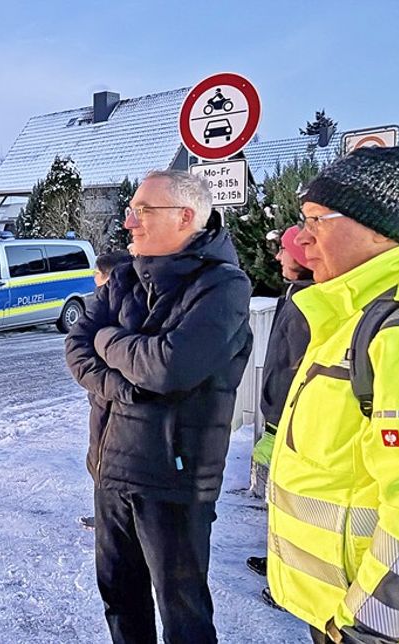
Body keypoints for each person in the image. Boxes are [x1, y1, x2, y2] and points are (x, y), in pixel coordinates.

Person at [66, 170, 252, 643]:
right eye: (132, 211)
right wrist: (128, 385)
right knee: (120, 599)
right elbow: (77, 348)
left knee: (183, 614)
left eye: (142, 211)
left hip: (173, 479)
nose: (130, 222)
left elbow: (169, 368)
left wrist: (108, 339)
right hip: (110, 470)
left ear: (185, 217)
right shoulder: (126, 276)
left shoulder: (222, 286)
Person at [266, 147, 399, 644]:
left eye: (315, 221)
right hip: (340, 612)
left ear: (380, 228)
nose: (300, 239)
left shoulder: (395, 331)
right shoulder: (350, 314)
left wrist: (368, 628)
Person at [247, 225, 315, 581]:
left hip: (293, 421)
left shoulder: (312, 303)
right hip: (278, 415)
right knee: (278, 499)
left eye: (284, 250)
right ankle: (278, 562)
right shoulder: (292, 294)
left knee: (294, 503)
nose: (277, 257)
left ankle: (288, 576)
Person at [78, 248, 132, 531]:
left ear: (110, 277)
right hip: (102, 398)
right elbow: (80, 349)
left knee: (109, 460)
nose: (94, 280)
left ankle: (112, 519)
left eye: (98, 274)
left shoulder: (123, 309)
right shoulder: (103, 304)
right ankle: (105, 514)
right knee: (98, 456)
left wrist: (112, 386)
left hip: (114, 402)